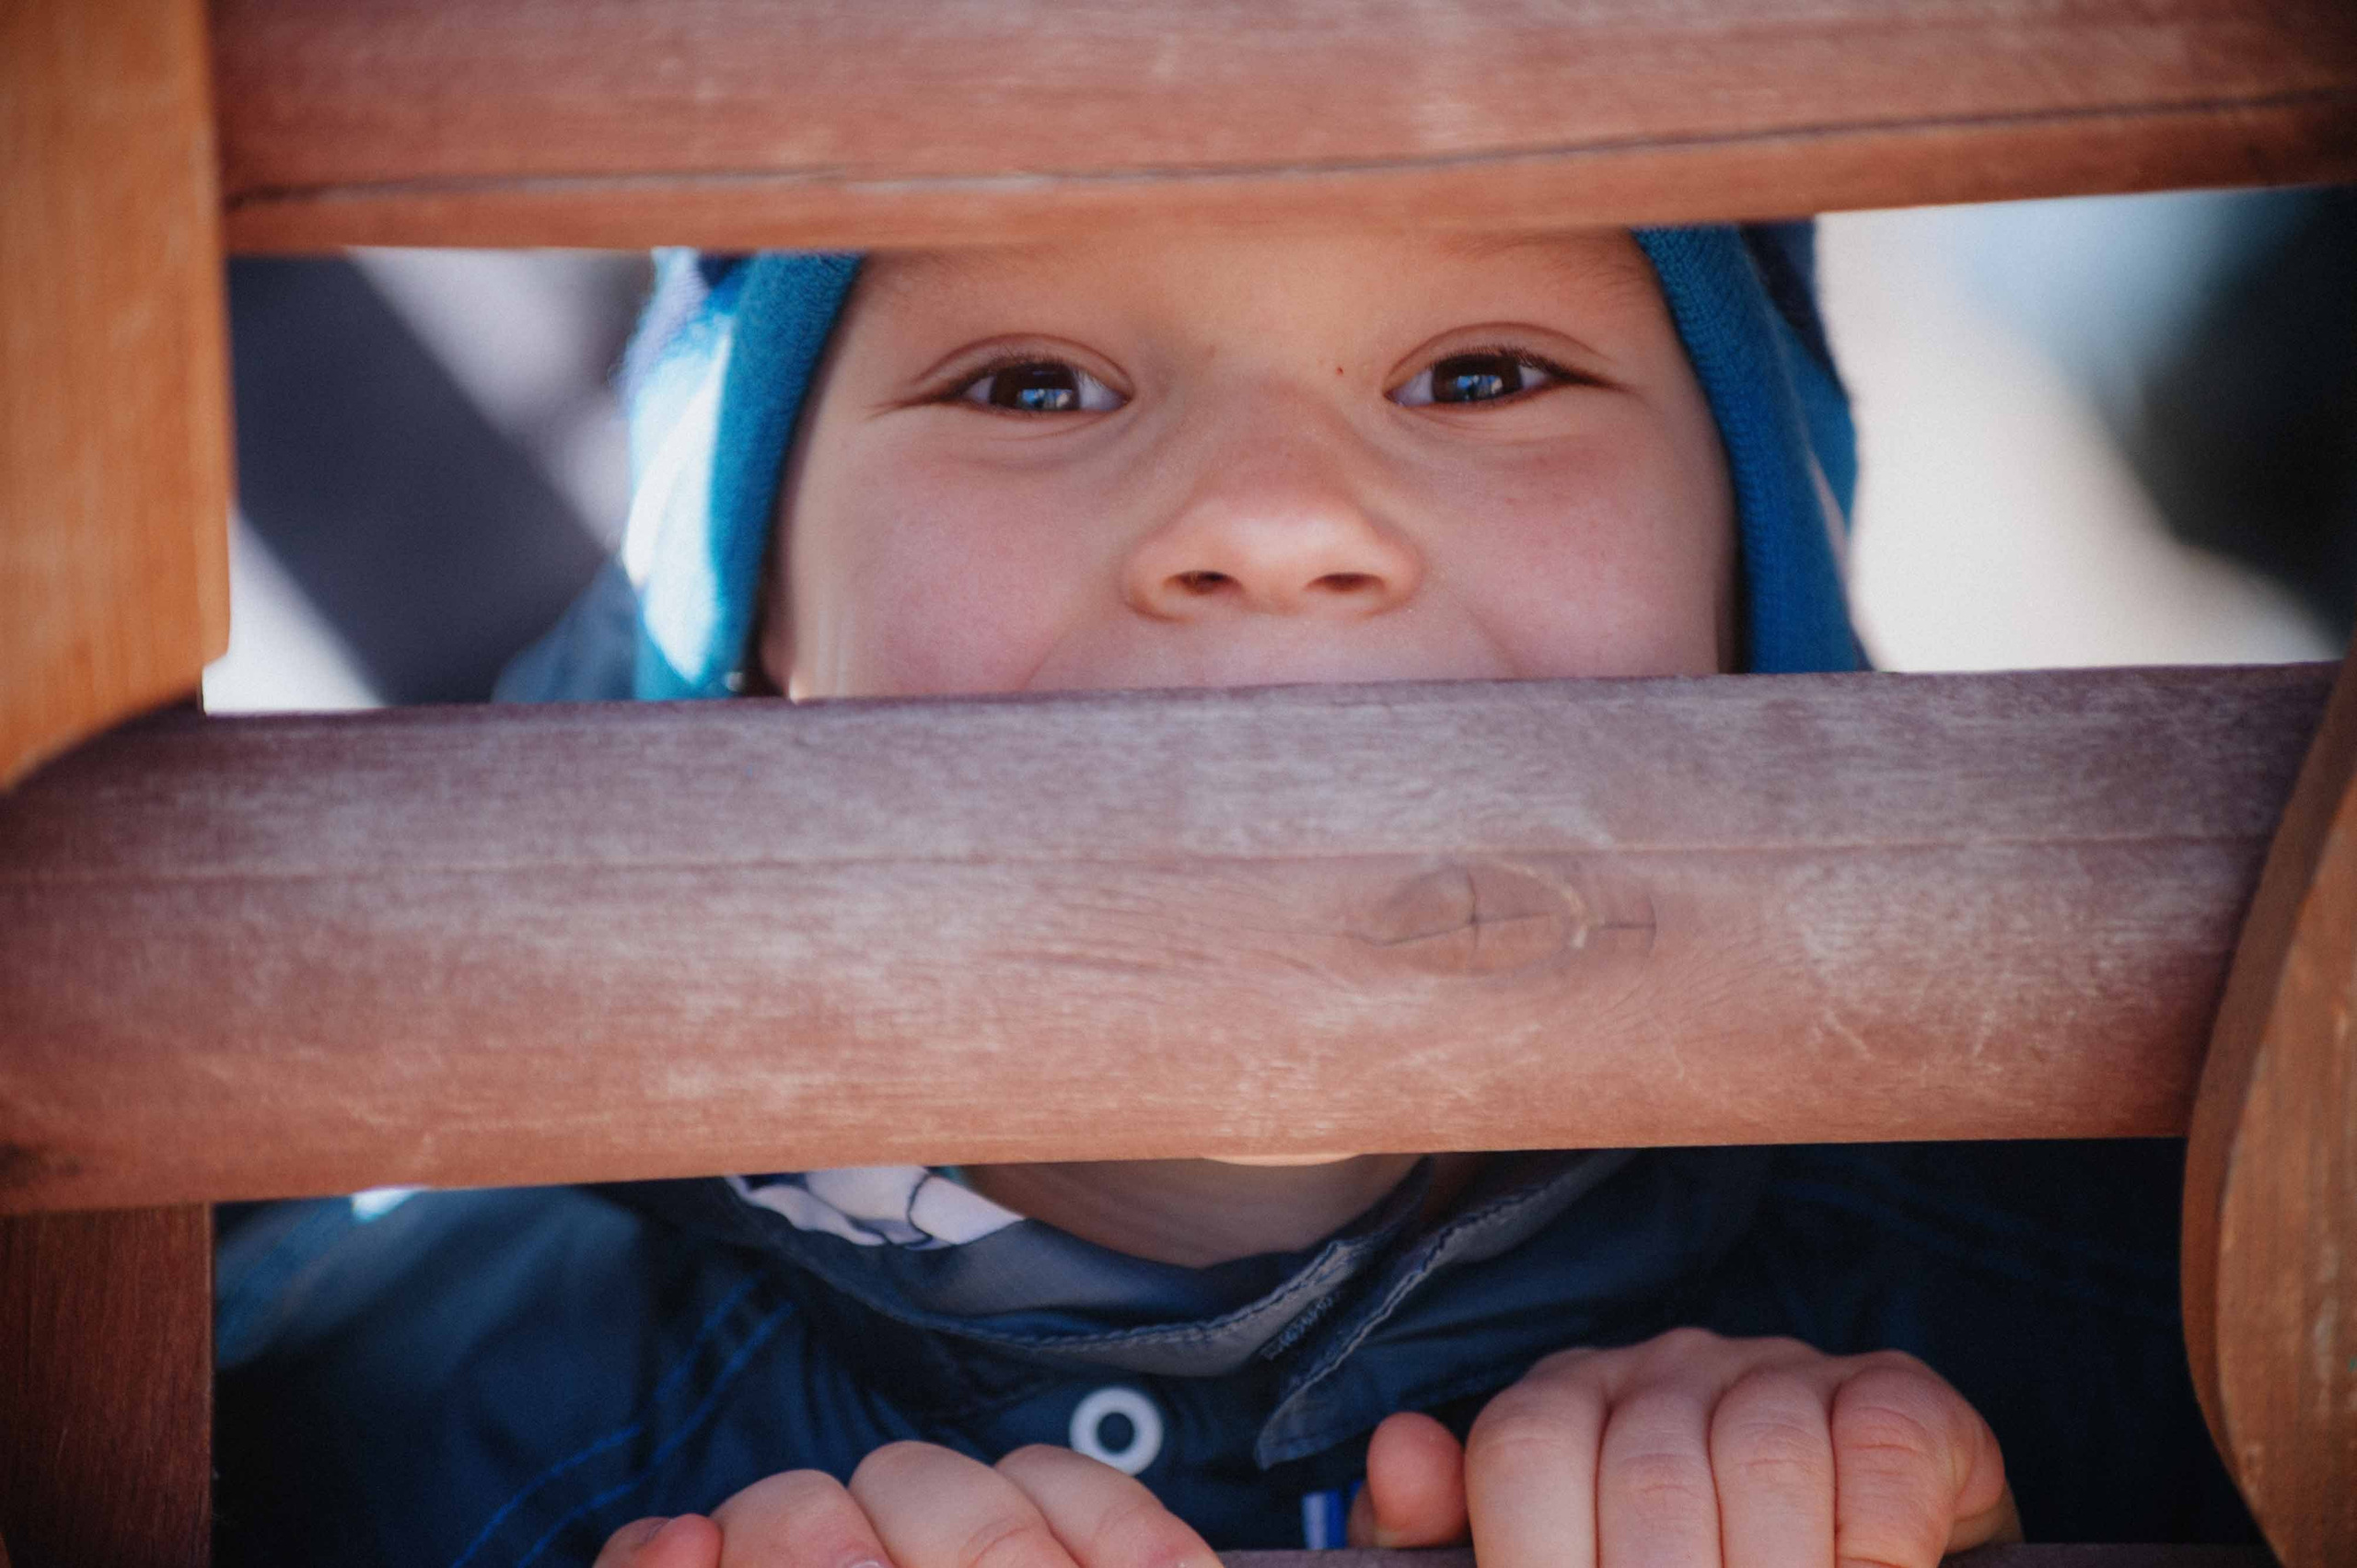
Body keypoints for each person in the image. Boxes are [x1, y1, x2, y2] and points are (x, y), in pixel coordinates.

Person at [214, 228, 2254, 1568]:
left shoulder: (2160, 1319)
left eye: (1480, 374)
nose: (1270, 523)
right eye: (1029, 385)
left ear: (1751, 599)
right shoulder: (355, 1433)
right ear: (749, 627)